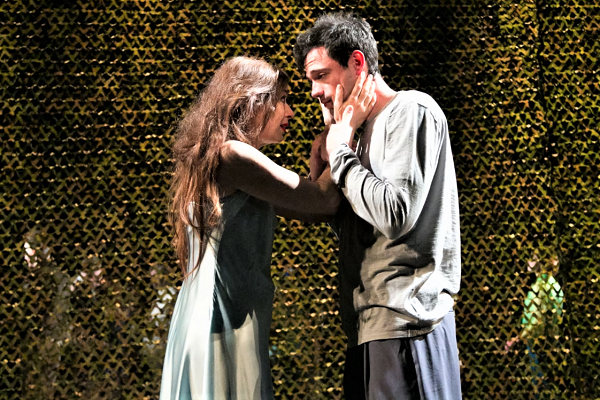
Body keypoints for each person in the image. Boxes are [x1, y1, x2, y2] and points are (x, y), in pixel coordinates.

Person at [159, 56, 375, 400]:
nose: (291, 112)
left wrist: (324, 154)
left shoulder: (224, 161)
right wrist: (343, 129)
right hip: (220, 323)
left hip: (216, 320)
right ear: (252, 101)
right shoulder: (233, 155)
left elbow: (314, 208)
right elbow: (322, 201)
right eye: (282, 100)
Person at [294, 12, 462, 399]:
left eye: (321, 75)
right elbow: (361, 230)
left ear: (357, 62)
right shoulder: (352, 134)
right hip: (366, 327)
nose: (314, 91)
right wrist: (333, 154)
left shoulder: (412, 111)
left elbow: (395, 214)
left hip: (408, 324)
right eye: (310, 81)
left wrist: (340, 152)